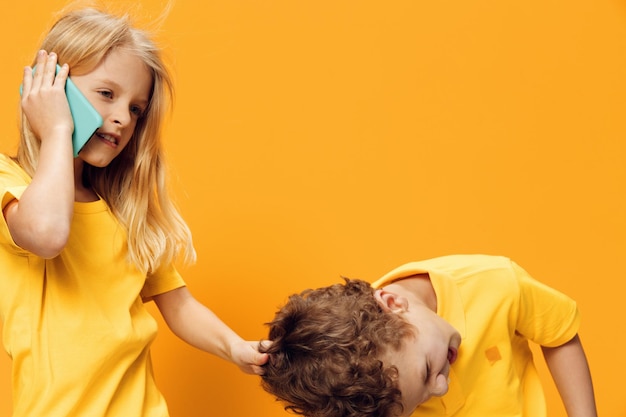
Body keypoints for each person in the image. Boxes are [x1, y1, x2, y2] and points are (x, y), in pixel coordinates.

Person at [0, 6, 267, 417]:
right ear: (49, 88)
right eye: (107, 94)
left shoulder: (123, 211)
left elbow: (178, 304)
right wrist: (56, 129)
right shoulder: (9, 184)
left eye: (137, 109)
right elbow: (47, 235)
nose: (123, 118)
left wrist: (235, 348)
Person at [260, 254, 598, 417]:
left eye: (426, 371)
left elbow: (559, 334)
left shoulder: (495, 282)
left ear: (394, 304)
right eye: (419, 401)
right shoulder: (357, 391)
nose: (439, 388)